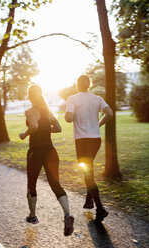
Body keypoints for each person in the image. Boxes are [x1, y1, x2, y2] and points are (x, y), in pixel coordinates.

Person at [19, 84, 74, 236]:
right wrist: (46, 128)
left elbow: (34, 125)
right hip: (51, 151)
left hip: (35, 152)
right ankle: (67, 215)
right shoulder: (47, 112)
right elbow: (58, 128)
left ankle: (33, 216)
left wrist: (24, 133)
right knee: (55, 184)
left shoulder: (30, 111)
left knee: (32, 184)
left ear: (30, 96)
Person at [65, 75, 113, 222]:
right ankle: (88, 200)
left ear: (77, 85)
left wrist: (70, 114)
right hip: (95, 140)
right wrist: (98, 124)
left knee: (88, 174)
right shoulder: (97, 98)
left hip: (82, 141)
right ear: (89, 85)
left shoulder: (72, 99)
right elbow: (109, 114)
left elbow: (68, 118)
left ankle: (100, 208)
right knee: (89, 170)